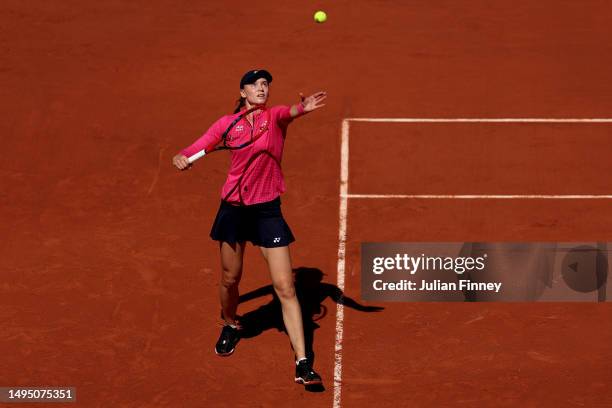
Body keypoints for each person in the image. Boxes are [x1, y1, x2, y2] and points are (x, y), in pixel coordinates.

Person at [172, 69, 327, 386]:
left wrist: (302, 108)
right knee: (230, 278)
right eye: (256, 84)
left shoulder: (276, 118)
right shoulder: (227, 125)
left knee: (285, 287)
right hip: (234, 210)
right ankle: (230, 323)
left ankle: (302, 363)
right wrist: (182, 156)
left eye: (266, 84)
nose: (262, 87)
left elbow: (291, 111)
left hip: (267, 210)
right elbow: (198, 145)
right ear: (242, 92)